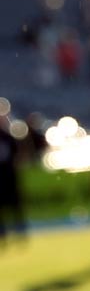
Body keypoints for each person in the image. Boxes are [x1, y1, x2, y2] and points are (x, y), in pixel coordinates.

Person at [0, 99, 26, 247]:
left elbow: (18, 157)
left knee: (16, 207)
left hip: (10, 178)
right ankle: (3, 237)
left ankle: (20, 234)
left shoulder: (9, 137)